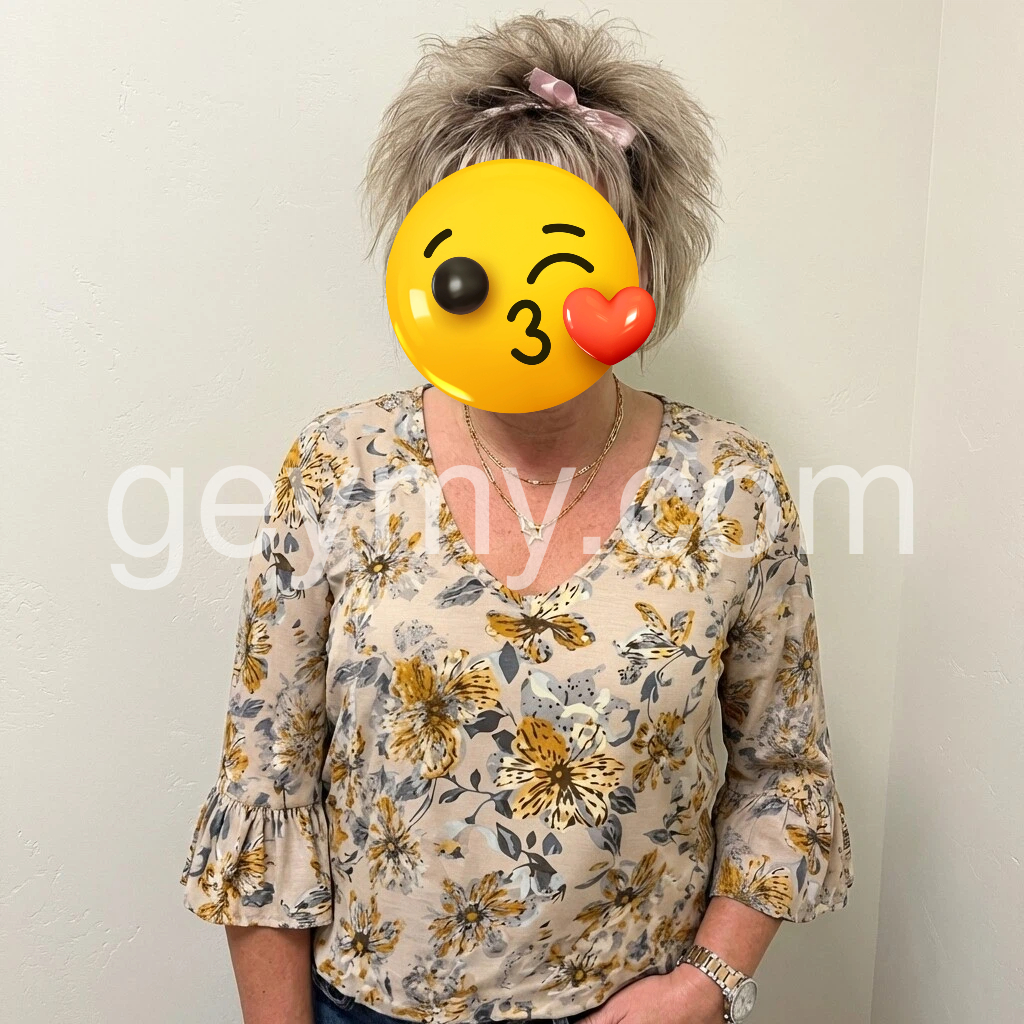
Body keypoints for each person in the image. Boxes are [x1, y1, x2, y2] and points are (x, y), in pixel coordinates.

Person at [179, 14, 854, 1024]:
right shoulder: (339, 467)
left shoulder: (731, 485)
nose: (518, 295)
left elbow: (782, 775)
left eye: (560, 251)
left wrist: (705, 987)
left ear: (636, 260)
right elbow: (266, 782)